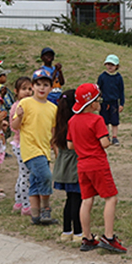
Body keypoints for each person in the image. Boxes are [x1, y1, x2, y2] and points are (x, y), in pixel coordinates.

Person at [70, 83, 126, 253]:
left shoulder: (72, 121)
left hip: (82, 164)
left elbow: (70, 144)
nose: (100, 102)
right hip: (97, 163)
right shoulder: (97, 120)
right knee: (111, 198)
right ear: (92, 103)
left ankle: (86, 238)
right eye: (98, 99)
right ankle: (108, 237)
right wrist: (107, 141)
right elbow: (104, 143)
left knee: (86, 200)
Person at [10, 69, 57, 225]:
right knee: (46, 177)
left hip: (44, 150)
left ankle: (35, 216)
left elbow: (53, 131)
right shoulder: (25, 103)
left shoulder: (52, 108)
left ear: (51, 88)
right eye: (38, 85)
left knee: (36, 182)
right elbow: (14, 126)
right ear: (32, 87)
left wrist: (55, 149)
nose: (42, 88)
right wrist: (20, 116)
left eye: (45, 85)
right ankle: (46, 210)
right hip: (30, 150)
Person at [51, 89, 83, 242]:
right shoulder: (75, 123)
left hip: (63, 165)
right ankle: (78, 232)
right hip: (74, 166)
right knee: (77, 199)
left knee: (70, 199)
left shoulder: (60, 123)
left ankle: (66, 231)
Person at [8, 76, 33, 216]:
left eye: (30, 89)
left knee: (22, 174)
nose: (28, 92)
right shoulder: (18, 106)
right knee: (26, 176)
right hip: (20, 145)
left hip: (25, 144)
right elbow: (14, 127)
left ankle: (18, 201)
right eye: (24, 89)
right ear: (16, 91)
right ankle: (26, 205)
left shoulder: (29, 104)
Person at [97, 54, 125, 146]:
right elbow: (98, 89)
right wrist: (97, 101)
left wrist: (121, 103)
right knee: (104, 121)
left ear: (116, 66)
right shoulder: (102, 77)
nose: (110, 66)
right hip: (104, 102)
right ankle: (106, 136)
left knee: (114, 121)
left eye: (112, 65)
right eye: (108, 64)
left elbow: (121, 91)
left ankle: (114, 137)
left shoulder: (118, 78)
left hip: (114, 103)